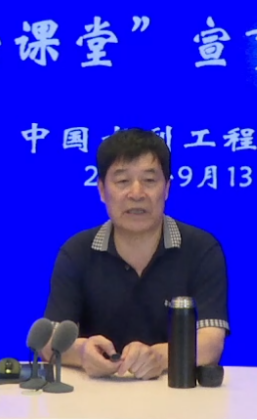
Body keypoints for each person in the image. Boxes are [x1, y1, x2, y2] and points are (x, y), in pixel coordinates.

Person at [41, 128, 230, 380]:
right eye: (122, 181)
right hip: (97, 393)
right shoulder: (77, 251)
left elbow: (211, 343)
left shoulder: (201, 248)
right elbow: (49, 341)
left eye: (149, 180)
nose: (137, 193)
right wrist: (82, 352)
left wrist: (159, 357)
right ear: (101, 190)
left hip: (176, 392)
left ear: (167, 188)